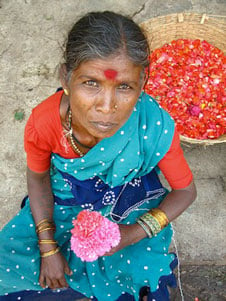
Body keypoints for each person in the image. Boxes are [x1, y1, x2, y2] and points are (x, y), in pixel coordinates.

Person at [0, 11, 197, 301]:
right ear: (65, 77)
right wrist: (48, 246)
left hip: (130, 202)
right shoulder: (45, 122)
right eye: (91, 83)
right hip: (66, 197)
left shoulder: (153, 125)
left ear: (142, 83)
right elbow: (38, 177)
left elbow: (186, 191)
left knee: (138, 272)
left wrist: (131, 233)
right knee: (13, 261)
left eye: (124, 87)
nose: (107, 107)